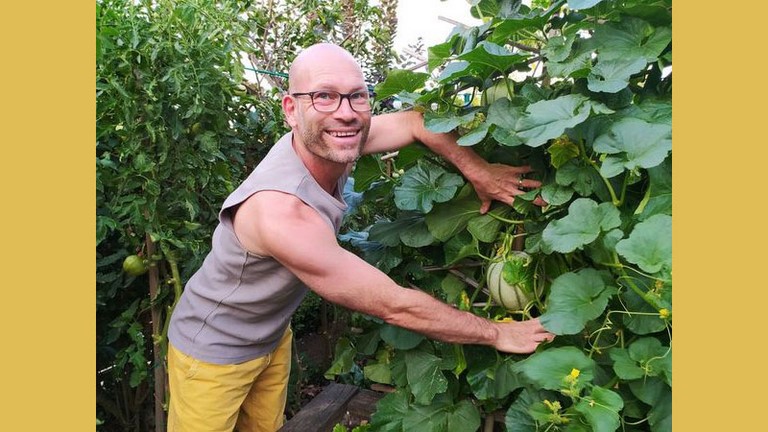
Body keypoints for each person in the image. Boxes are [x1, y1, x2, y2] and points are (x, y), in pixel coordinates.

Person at [166, 43, 554, 432]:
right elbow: (394, 305)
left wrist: (479, 170)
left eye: (358, 96)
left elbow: (416, 122)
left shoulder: (334, 139)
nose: (346, 112)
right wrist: (497, 332)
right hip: (211, 354)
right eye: (324, 96)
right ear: (291, 110)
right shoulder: (280, 212)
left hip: (270, 337)